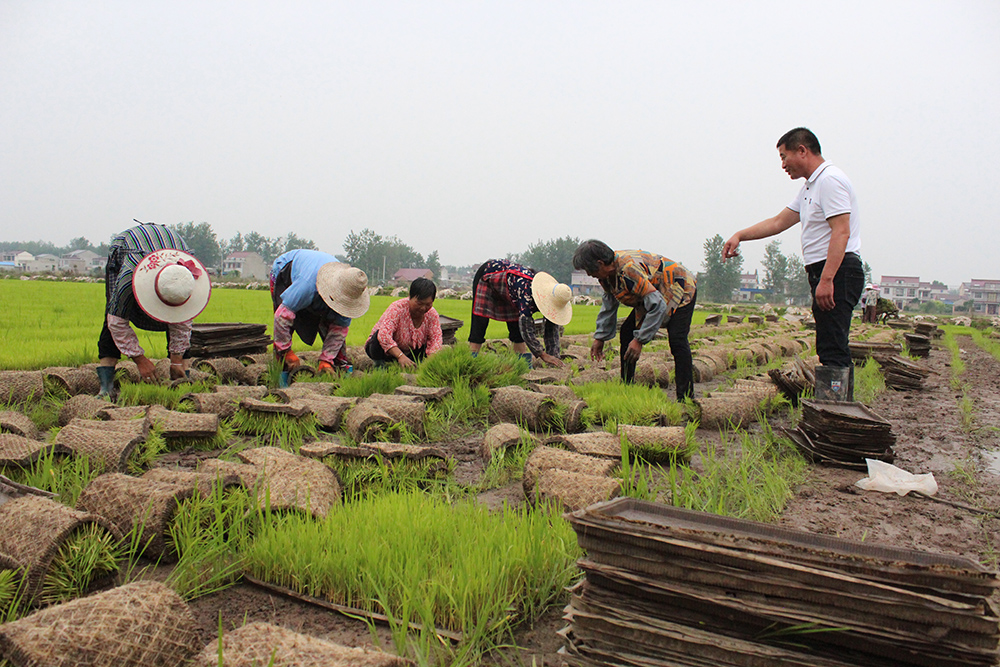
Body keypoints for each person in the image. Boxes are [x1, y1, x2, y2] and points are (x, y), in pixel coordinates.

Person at [722, 127, 863, 368]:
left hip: (837, 270)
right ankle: (834, 402)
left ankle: (837, 403)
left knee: (833, 347)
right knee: (829, 344)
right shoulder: (810, 187)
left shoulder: (830, 180)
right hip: (826, 271)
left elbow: (841, 231)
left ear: (802, 151)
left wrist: (827, 279)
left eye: (783, 157)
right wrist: (740, 235)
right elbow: (778, 222)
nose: (783, 165)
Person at [97, 220, 212, 397]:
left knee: (178, 315)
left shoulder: (187, 278)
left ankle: (182, 377)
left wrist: (176, 361)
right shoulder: (129, 276)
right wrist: (140, 360)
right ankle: (106, 388)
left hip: (173, 246)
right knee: (113, 310)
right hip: (129, 247)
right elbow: (116, 321)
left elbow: (183, 324)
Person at [573, 240, 697, 400]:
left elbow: (657, 304)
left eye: (589, 270)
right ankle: (627, 386)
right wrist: (600, 337)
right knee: (626, 332)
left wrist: (639, 340)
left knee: (677, 339)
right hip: (654, 294)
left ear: (600, 263)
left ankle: (685, 397)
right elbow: (609, 304)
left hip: (679, 286)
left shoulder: (628, 270)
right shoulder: (605, 276)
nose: (589, 275)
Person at [270, 249, 370, 379]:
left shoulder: (350, 291)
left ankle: (336, 368)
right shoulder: (307, 286)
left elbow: (339, 329)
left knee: (336, 344)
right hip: (286, 269)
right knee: (285, 333)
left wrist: (326, 360)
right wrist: (286, 351)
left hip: (317, 274)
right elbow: (282, 316)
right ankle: (279, 375)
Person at [468, 259, 573, 367]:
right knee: (480, 323)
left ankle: (522, 366)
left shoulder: (551, 298)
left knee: (516, 329)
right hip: (488, 275)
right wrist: (542, 354)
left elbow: (551, 330)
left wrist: (554, 357)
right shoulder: (528, 293)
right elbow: (526, 329)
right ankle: (471, 363)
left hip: (512, 288)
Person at [365, 277, 443, 368]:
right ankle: (379, 365)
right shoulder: (397, 308)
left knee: (425, 347)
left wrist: (431, 361)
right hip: (383, 351)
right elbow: (384, 335)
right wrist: (400, 356)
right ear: (410, 296)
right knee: (378, 335)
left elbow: (436, 339)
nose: (423, 308)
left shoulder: (432, 314)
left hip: (410, 351)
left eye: (428, 304)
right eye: (419, 303)